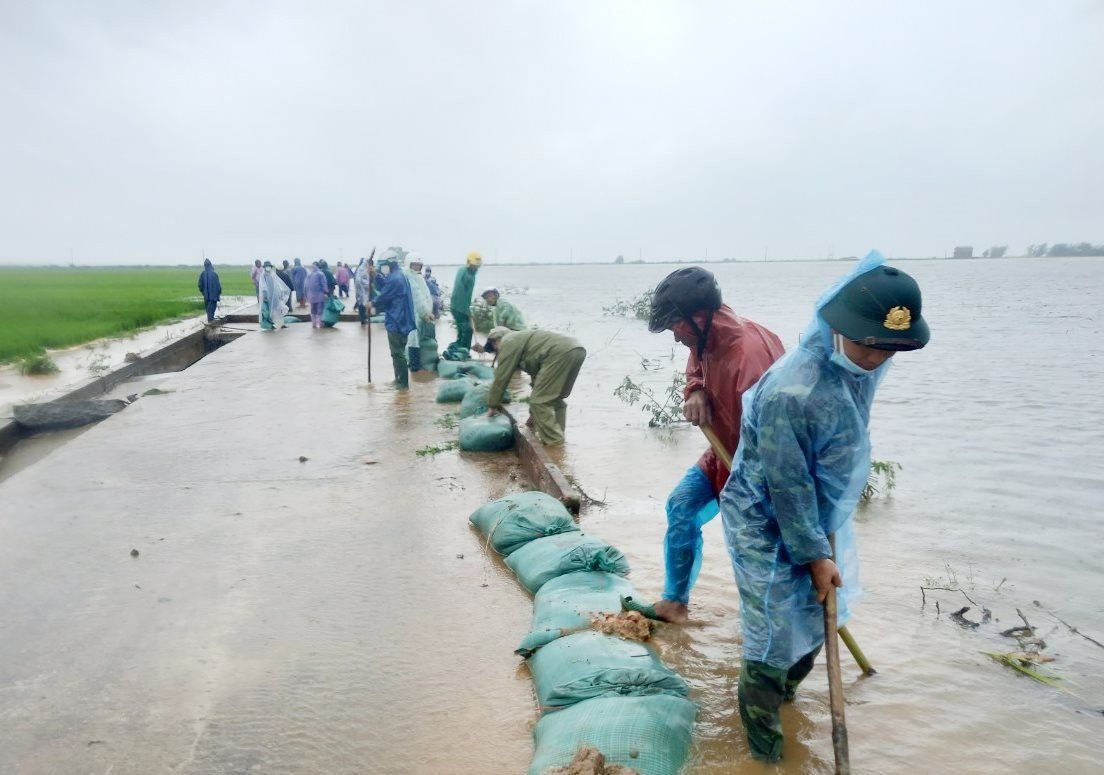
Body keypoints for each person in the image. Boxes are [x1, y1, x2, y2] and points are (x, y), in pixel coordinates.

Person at [718, 251, 929, 761]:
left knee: (814, 625)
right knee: (772, 634)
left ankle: (786, 698)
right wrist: (815, 556)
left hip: (816, 517)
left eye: (889, 350)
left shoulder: (856, 367)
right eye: (868, 347)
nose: (877, 359)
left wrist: (820, 545)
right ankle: (765, 751)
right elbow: (786, 487)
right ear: (836, 329)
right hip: (764, 520)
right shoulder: (791, 392)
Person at [644, 267, 785, 624]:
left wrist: (753, 490)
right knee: (681, 505)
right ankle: (674, 603)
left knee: (755, 552)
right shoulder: (704, 337)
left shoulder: (749, 357)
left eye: (676, 325)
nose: (675, 337)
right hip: (722, 450)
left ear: (700, 316)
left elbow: (774, 440)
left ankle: (762, 630)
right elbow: (696, 363)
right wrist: (696, 390)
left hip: (761, 469)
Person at [485, 327, 586, 446]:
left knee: (539, 402)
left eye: (495, 350)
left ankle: (555, 443)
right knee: (554, 399)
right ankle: (560, 442)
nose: (497, 353)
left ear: (495, 340)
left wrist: (492, 405)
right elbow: (538, 382)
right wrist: (533, 416)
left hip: (558, 353)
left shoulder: (508, 341)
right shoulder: (525, 340)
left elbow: (501, 378)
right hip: (577, 349)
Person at [369, 257, 416, 389]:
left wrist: (372, 302)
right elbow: (384, 285)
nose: (383, 268)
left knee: (397, 353)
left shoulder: (396, 278)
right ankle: (398, 379)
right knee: (397, 352)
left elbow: (384, 295)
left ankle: (402, 383)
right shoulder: (396, 276)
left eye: (384, 265)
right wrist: (374, 275)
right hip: (399, 318)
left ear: (389, 264)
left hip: (398, 320)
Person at [443, 251, 481, 360]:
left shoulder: (470, 274)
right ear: (469, 263)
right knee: (468, 330)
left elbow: (467, 295)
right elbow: (460, 293)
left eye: (477, 266)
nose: (476, 268)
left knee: (462, 331)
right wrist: (466, 311)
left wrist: (469, 309)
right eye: (474, 266)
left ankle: (456, 350)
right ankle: (463, 352)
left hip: (460, 306)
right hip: (458, 307)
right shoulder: (464, 272)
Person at [405, 253, 436, 371]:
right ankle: (414, 367)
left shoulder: (417, 276)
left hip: (420, 314)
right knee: (413, 340)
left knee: (416, 338)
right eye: (414, 265)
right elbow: (417, 296)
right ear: (409, 264)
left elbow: (424, 295)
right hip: (415, 313)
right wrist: (425, 313)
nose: (417, 267)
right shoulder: (409, 276)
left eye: (419, 265)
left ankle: (414, 365)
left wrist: (427, 311)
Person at [257, 261, 291, 330]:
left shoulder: (272, 274)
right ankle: (269, 325)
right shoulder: (263, 275)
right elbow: (263, 287)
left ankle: (281, 324)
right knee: (267, 312)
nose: (268, 267)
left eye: (269, 266)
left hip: (274, 296)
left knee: (278, 310)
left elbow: (277, 285)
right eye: (267, 266)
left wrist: (280, 293)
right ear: (264, 267)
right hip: (266, 297)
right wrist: (265, 295)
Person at [305, 261, 329, 328]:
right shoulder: (320, 274)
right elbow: (324, 284)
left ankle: (314, 324)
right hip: (319, 295)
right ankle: (320, 323)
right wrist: (326, 292)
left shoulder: (309, 275)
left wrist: (306, 295)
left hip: (311, 296)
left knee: (313, 309)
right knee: (320, 309)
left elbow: (305, 286)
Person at [353, 257, 372, 325]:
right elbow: (363, 281)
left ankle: (363, 319)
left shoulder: (359, 269)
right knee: (362, 305)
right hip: (362, 291)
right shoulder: (362, 270)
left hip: (361, 291)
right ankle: (363, 319)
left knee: (362, 304)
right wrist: (369, 285)